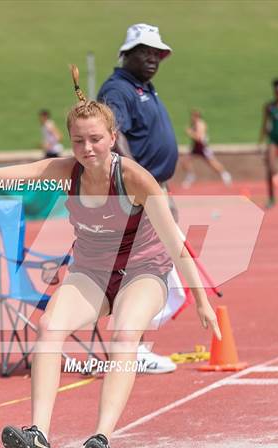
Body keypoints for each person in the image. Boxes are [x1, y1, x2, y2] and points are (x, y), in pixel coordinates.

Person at [0, 65, 221, 448]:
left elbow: (177, 245)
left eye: (97, 139)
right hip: (92, 273)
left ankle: (101, 438)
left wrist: (202, 302)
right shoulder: (64, 172)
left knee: (124, 333)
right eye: (79, 141)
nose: (88, 148)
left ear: (113, 138)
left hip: (143, 270)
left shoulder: (135, 178)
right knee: (48, 326)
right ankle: (39, 436)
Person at [97, 23, 180, 374]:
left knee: (160, 268)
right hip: (139, 192)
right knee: (145, 270)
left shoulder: (143, 87)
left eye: (157, 53)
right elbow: (113, 137)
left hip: (155, 188)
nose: (152, 58)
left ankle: (134, 344)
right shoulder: (119, 90)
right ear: (126, 54)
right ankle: (134, 346)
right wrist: (137, 182)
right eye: (144, 51)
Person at [259, 78, 278, 209]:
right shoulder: (269, 106)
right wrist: (260, 141)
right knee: (271, 167)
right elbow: (265, 123)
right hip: (273, 139)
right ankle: (271, 198)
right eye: (277, 92)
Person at [182, 109, 232, 188]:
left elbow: (198, 138)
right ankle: (190, 176)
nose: (191, 118)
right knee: (185, 162)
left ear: (196, 116)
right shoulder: (194, 124)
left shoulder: (200, 124)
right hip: (195, 147)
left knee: (212, 163)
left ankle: (225, 174)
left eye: (193, 116)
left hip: (202, 147)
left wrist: (190, 133)